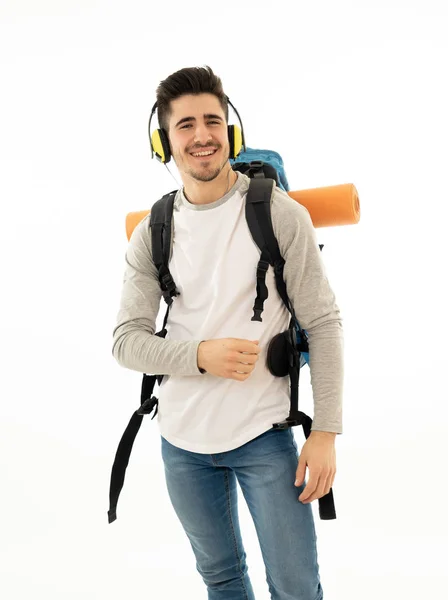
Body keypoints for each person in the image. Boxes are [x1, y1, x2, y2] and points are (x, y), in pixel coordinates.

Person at [112, 65, 344, 600]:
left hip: (263, 437)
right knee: (221, 578)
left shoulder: (280, 214)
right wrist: (200, 356)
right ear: (164, 142)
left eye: (212, 121)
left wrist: (325, 432)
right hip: (181, 443)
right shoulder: (154, 228)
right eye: (185, 125)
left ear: (230, 132)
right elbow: (126, 341)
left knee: (295, 587)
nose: (202, 136)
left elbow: (324, 324)